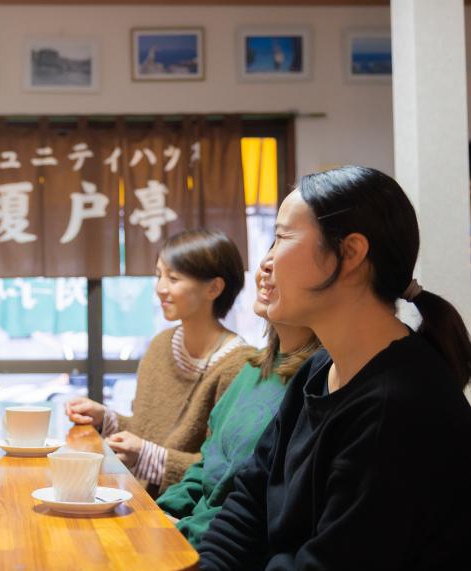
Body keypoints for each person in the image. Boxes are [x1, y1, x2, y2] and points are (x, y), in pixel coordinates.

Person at [199, 166, 471, 570]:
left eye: (283, 237)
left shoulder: (397, 408)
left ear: (350, 253)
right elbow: (248, 502)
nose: (266, 262)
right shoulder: (319, 368)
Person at [66, 229, 256, 496]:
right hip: (138, 497)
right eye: (158, 276)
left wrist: (145, 455)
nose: (160, 288)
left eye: (174, 278)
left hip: (183, 515)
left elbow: (222, 469)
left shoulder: (239, 365)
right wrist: (104, 417)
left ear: (214, 288)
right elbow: (144, 431)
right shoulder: (160, 346)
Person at [156, 261, 320, 548]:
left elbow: (263, 504)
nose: (268, 264)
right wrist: (161, 513)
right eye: (271, 249)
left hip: (223, 547)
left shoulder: (317, 383)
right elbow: (208, 462)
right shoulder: (252, 367)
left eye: (284, 244)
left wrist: (182, 529)